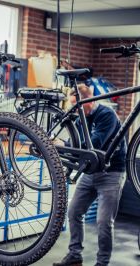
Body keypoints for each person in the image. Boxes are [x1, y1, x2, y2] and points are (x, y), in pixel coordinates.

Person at [54, 84, 127, 266]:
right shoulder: (81, 118)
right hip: (90, 173)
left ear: (89, 100)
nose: (77, 110)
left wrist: (64, 144)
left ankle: (102, 263)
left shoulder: (106, 115)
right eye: (74, 105)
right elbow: (77, 144)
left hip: (112, 174)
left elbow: (94, 145)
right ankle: (75, 255)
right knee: (74, 212)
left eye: (79, 105)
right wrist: (65, 145)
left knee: (103, 222)